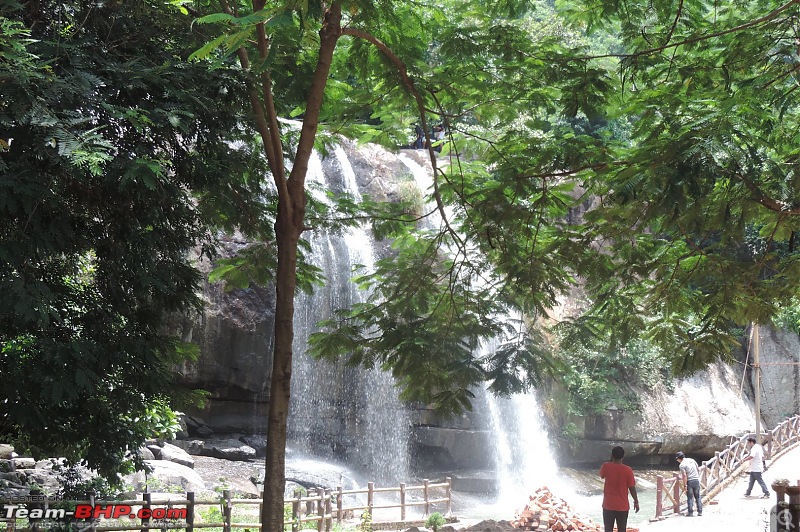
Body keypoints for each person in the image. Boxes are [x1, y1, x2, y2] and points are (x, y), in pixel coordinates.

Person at [600, 446, 639, 532]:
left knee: (608, 529)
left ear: (612, 455)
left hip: (608, 504)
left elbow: (602, 476)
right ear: (623, 456)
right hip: (622, 505)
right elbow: (632, 488)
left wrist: (611, 461)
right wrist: (636, 501)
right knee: (622, 529)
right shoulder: (628, 470)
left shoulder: (606, 466)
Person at [676, 452, 702, 516]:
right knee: (698, 496)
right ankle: (700, 511)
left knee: (690, 497)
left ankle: (690, 512)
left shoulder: (681, 465)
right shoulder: (692, 460)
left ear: (678, 459)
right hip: (696, 480)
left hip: (690, 481)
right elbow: (698, 469)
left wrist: (685, 485)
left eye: (677, 459)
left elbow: (684, 475)